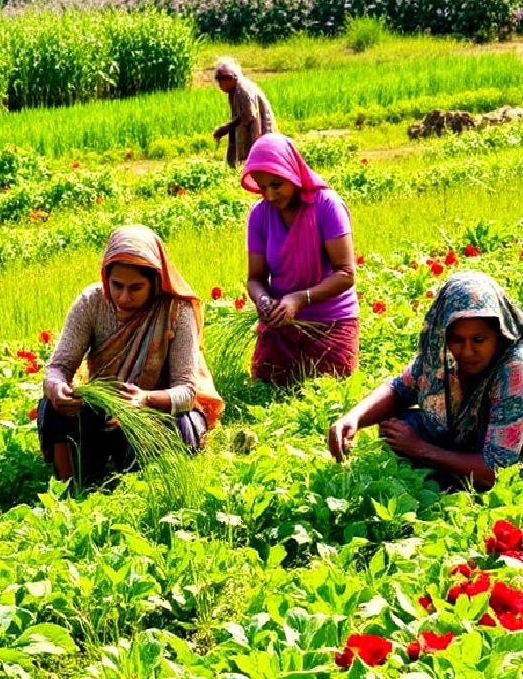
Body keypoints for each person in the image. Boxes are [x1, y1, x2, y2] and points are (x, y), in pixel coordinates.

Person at [38, 225, 224, 487]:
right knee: (52, 407)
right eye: (117, 285)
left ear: (155, 283)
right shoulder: (92, 302)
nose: (124, 297)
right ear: (106, 278)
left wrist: (145, 399)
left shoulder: (175, 311)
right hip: (106, 408)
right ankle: (72, 489)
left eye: (136, 288)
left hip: (156, 409)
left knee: (183, 425)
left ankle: (151, 486)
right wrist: (57, 387)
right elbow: (58, 366)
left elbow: (186, 392)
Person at [330, 272, 523, 490]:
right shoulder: (440, 356)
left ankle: (447, 477)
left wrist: (420, 448)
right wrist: (353, 418)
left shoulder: (514, 368)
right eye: (457, 340)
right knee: (398, 425)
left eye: (479, 340)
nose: (468, 352)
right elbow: (399, 390)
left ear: (498, 334)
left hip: (506, 459)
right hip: (462, 446)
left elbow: (498, 468)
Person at [244, 133, 359, 387]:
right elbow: (256, 278)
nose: (271, 195)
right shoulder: (260, 216)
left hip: (331, 321)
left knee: (328, 386)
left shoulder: (326, 206)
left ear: (292, 173)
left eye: (277, 184)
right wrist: (264, 301)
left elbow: (346, 273)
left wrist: (299, 298)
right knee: (268, 386)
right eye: (263, 188)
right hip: (282, 322)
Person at [211, 57, 276, 168]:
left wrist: (226, 128)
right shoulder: (234, 89)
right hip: (251, 128)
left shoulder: (242, 89)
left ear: (231, 78)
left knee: (260, 158)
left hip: (258, 129)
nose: (220, 85)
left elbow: (249, 114)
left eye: (221, 81)